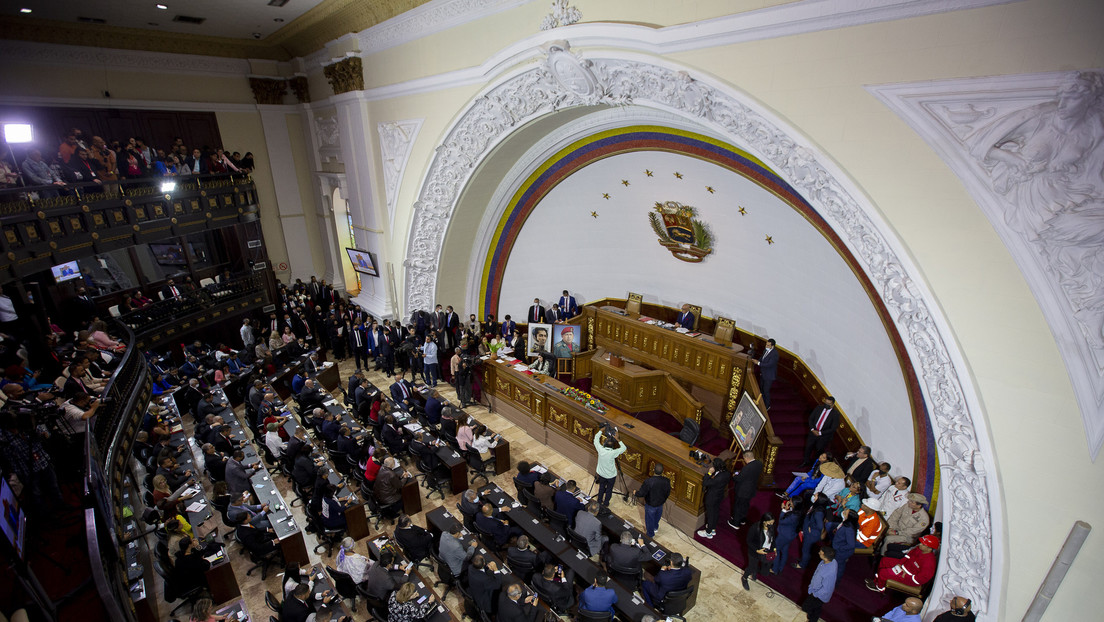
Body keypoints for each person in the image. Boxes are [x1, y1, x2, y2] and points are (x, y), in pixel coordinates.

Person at [867, 535, 940, 592]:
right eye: (921, 543)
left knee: (884, 572)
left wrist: (906, 576)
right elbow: (908, 556)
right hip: (905, 566)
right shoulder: (919, 549)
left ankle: (880, 588)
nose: (920, 544)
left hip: (909, 577)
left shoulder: (929, 562)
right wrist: (900, 563)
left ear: (929, 548)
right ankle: (877, 580)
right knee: (884, 560)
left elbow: (921, 579)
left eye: (923, 544)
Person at [728, 449, 763, 529]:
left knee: (738, 506)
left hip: (743, 491)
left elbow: (739, 478)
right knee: (745, 505)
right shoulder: (759, 463)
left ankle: (735, 523)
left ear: (746, 457)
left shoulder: (747, 468)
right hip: (751, 490)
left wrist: (734, 476)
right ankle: (742, 519)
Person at [696, 457, 731, 539]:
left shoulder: (719, 478)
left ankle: (708, 532)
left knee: (711, 514)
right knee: (715, 512)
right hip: (719, 495)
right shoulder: (727, 473)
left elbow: (706, 483)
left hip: (712, 497)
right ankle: (712, 529)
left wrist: (709, 473)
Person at [801, 546, 837, 622]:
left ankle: (812, 618)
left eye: (820, 553)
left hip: (818, 595)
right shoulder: (829, 561)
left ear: (825, 556)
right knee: (816, 609)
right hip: (815, 591)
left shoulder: (830, 572)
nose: (818, 553)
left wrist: (814, 594)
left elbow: (826, 589)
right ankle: (812, 618)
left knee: (805, 607)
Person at [635, 463, 671, 538]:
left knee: (649, 520)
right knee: (657, 517)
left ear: (653, 470)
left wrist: (635, 493)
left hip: (650, 505)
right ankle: (655, 528)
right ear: (662, 471)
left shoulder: (649, 481)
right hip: (660, 504)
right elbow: (668, 493)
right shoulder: (667, 481)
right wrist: (663, 500)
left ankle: (650, 535)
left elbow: (642, 493)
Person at [802, 397, 841, 467]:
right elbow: (811, 418)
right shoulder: (819, 408)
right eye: (826, 403)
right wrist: (812, 429)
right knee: (808, 448)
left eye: (829, 404)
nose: (826, 405)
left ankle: (815, 465)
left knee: (819, 451)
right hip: (812, 433)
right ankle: (805, 462)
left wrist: (820, 433)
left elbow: (833, 428)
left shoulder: (835, 414)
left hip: (823, 436)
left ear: (832, 405)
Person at [593, 427, 626, 508]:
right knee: (609, 490)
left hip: (601, 474)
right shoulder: (613, 453)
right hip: (611, 476)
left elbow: (596, 439)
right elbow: (624, 448)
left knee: (601, 488)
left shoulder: (600, 450)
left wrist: (601, 430)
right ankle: (606, 503)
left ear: (604, 444)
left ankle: (599, 501)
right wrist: (618, 439)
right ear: (612, 447)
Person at [742, 512, 775, 590]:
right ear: (764, 521)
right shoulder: (755, 528)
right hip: (755, 552)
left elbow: (773, 539)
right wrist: (757, 550)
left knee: (765, 572)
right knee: (751, 567)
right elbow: (749, 541)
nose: (771, 524)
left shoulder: (771, 526)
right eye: (769, 523)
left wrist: (774, 549)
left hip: (766, 551)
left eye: (772, 523)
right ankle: (744, 578)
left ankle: (755, 571)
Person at [772, 497, 801, 574]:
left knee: (776, 549)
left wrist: (783, 510)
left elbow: (781, 521)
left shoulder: (794, 516)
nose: (789, 502)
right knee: (784, 550)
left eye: (791, 501)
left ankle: (775, 569)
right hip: (791, 535)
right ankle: (780, 568)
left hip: (784, 535)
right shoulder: (799, 513)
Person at [752, 338, 780, 409]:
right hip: (763, 373)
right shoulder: (765, 350)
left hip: (769, 376)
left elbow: (769, 364)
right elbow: (762, 358)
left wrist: (758, 363)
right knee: (761, 388)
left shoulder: (775, 354)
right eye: (766, 344)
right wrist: (758, 361)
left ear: (772, 346)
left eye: (768, 345)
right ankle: (761, 402)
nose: (766, 346)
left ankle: (767, 406)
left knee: (766, 390)